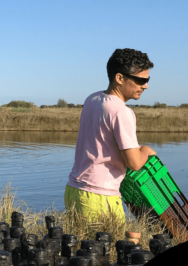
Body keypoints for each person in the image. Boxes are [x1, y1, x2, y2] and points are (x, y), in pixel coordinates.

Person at [64, 48, 157, 223]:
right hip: (100, 197)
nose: (145, 86)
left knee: (82, 249)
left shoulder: (92, 99)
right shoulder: (122, 112)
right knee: (111, 249)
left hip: (74, 190)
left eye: (147, 80)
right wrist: (145, 151)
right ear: (119, 78)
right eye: (140, 80)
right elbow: (135, 163)